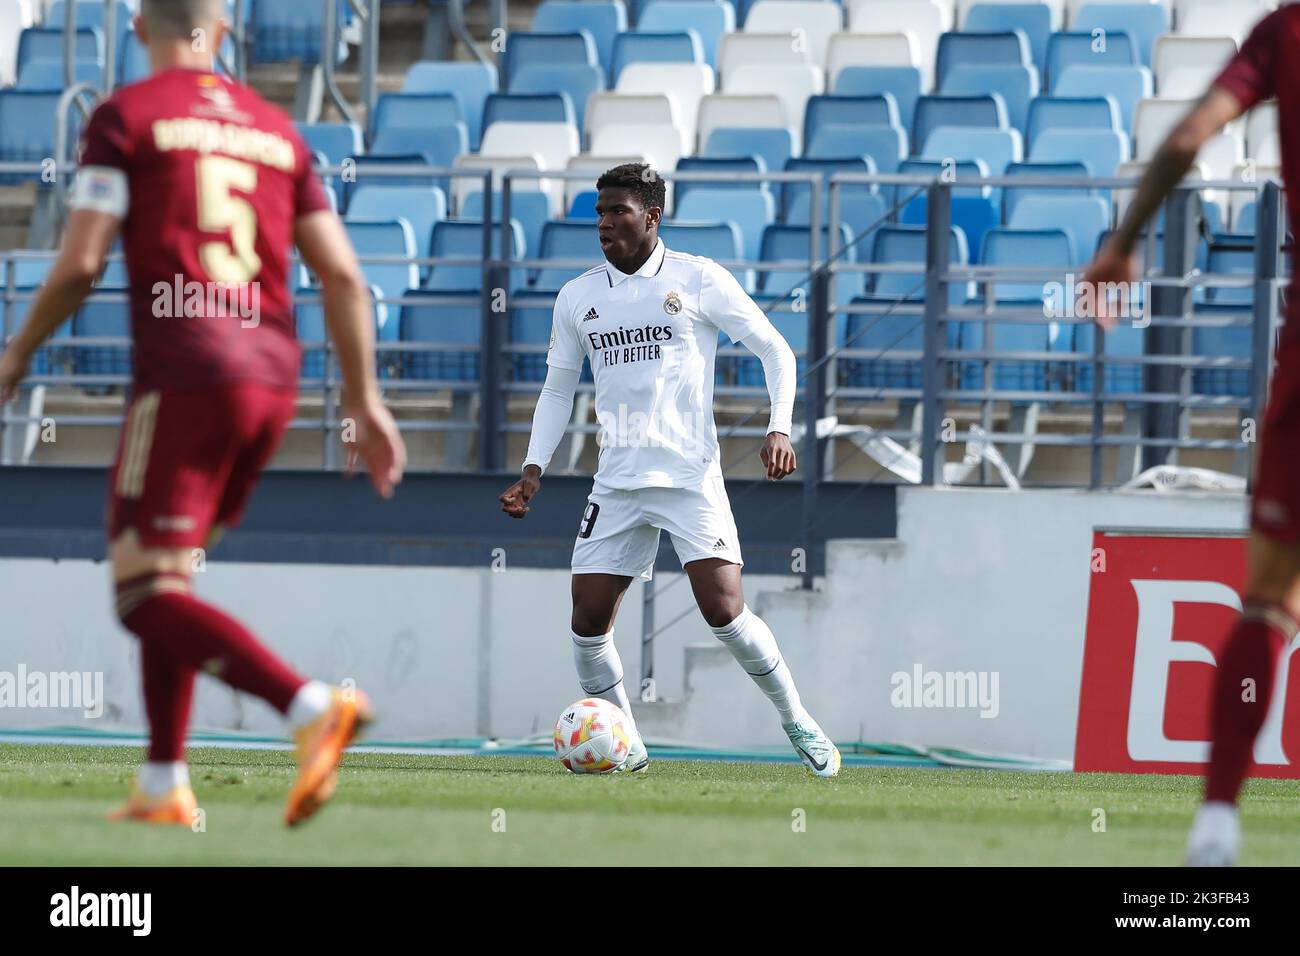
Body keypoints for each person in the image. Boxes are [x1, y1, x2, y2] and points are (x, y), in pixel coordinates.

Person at [0, 0, 407, 826]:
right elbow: (341, 277)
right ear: (223, 30)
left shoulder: (126, 117)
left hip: (187, 373)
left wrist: (15, 355)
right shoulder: (276, 131)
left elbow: (80, 263)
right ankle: (161, 783)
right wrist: (364, 399)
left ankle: (308, 707)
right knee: (168, 573)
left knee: (139, 593)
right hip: (273, 382)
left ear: (139, 23)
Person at [499, 163, 840, 777]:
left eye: (617, 212)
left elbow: (775, 349)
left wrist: (779, 427)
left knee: (724, 613)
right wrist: (533, 469)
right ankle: (628, 748)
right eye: (599, 213)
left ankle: (797, 719)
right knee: (586, 621)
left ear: (652, 217)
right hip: (618, 482)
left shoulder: (698, 280)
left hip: (689, 477)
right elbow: (557, 390)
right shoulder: (578, 296)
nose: (604, 224)